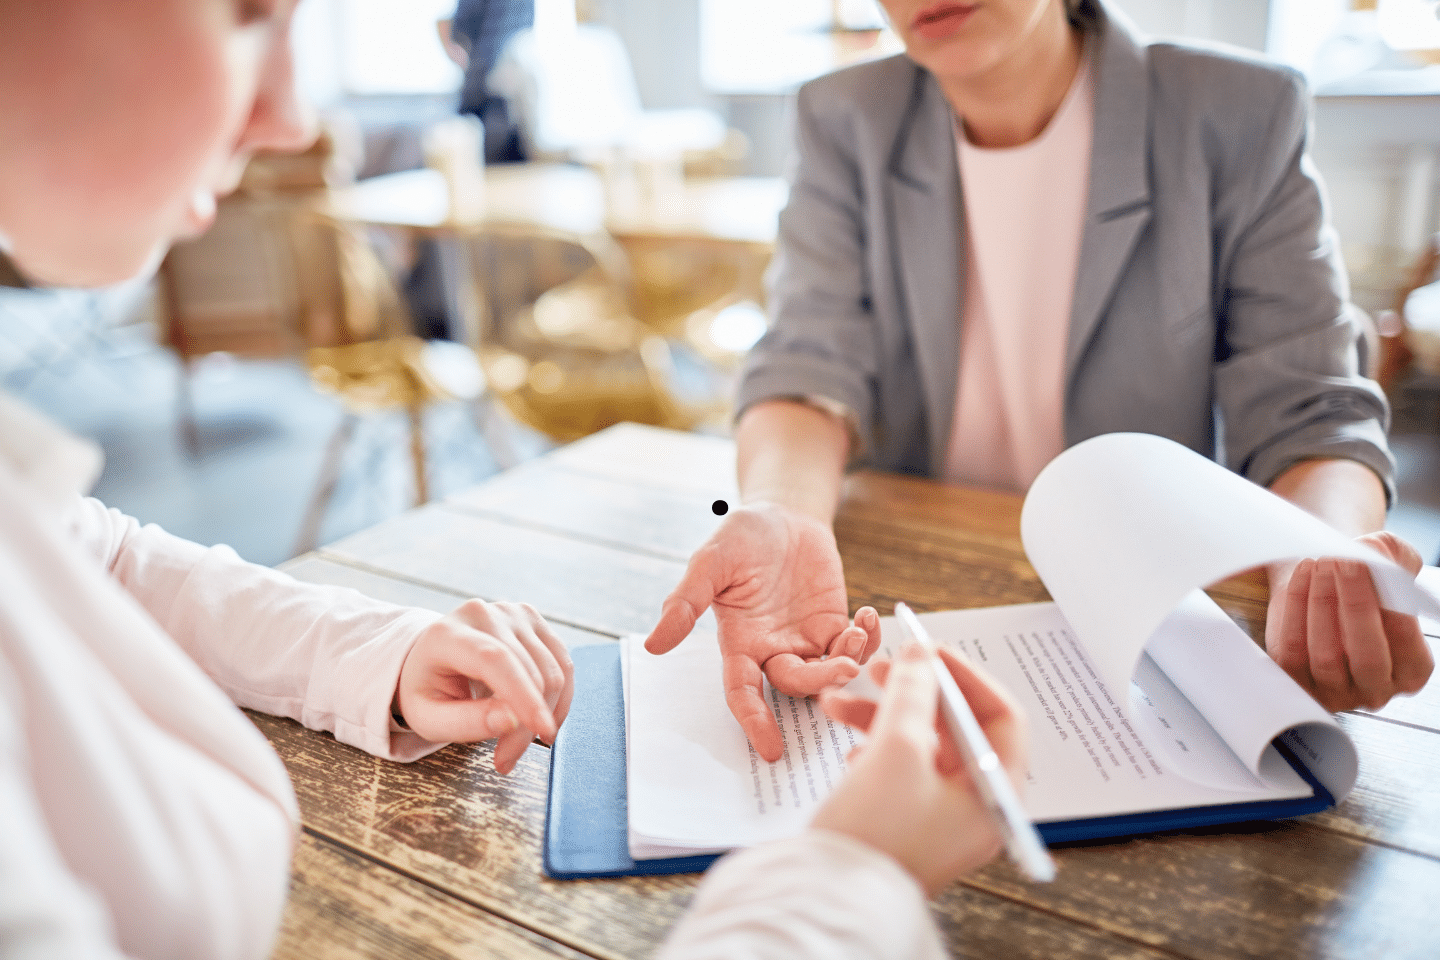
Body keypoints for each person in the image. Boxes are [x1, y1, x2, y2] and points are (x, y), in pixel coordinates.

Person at [0, 2, 1030, 955]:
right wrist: (856, 877)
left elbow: (96, 554)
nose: (293, 118)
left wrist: (377, 651)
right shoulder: (847, 114)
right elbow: (806, 353)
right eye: (247, 12)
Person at [646, 0, 1435, 763]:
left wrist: (1321, 558)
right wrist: (781, 512)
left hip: (1155, 616)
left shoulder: (1235, 111)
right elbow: (804, 366)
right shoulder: (844, 115)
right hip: (924, 594)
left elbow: (1312, 411)